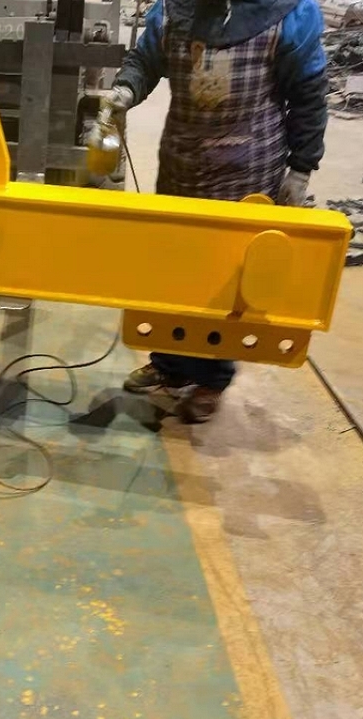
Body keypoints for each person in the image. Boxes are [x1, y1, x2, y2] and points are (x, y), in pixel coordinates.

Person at [101, 0, 328, 423]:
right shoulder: (174, 10)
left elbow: (308, 94)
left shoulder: (286, 14)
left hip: (247, 172)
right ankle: (170, 364)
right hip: (182, 165)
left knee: (225, 282)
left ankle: (211, 378)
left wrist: (301, 167)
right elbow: (146, 60)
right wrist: (125, 89)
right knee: (175, 269)